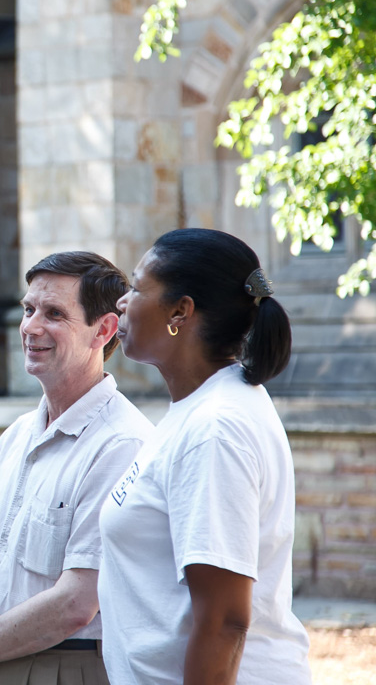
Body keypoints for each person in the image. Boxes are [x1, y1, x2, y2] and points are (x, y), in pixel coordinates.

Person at [98, 228, 311, 684]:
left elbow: (225, 619)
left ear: (181, 310)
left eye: (136, 288)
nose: (122, 302)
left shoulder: (216, 428)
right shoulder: (200, 409)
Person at [0, 252, 153, 685]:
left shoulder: (122, 444)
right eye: (28, 309)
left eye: (54, 314)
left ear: (104, 329)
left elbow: (76, 603)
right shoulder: (16, 436)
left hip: (63, 667)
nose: (31, 327)